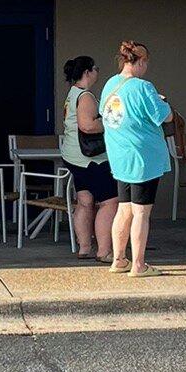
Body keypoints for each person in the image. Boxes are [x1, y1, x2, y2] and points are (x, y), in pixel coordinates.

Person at [100, 40, 174, 277]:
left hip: (120, 157)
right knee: (142, 212)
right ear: (140, 61)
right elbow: (167, 117)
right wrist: (162, 100)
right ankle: (139, 264)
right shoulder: (144, 87)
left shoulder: (110, 85)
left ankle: (119, 259)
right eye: (146, 63)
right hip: (144, 158)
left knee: (124, 209)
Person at [60, 54, 120, 261]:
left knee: (84, 200)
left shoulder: (72, 94)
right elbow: (87, 125)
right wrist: (111, 122)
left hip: (72, 155)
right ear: (87, 72)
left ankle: (84, 247)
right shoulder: (86, 96)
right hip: (91, 158)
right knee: (109, 202)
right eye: (95, 68)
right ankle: (104, 251)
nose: (97, 72)